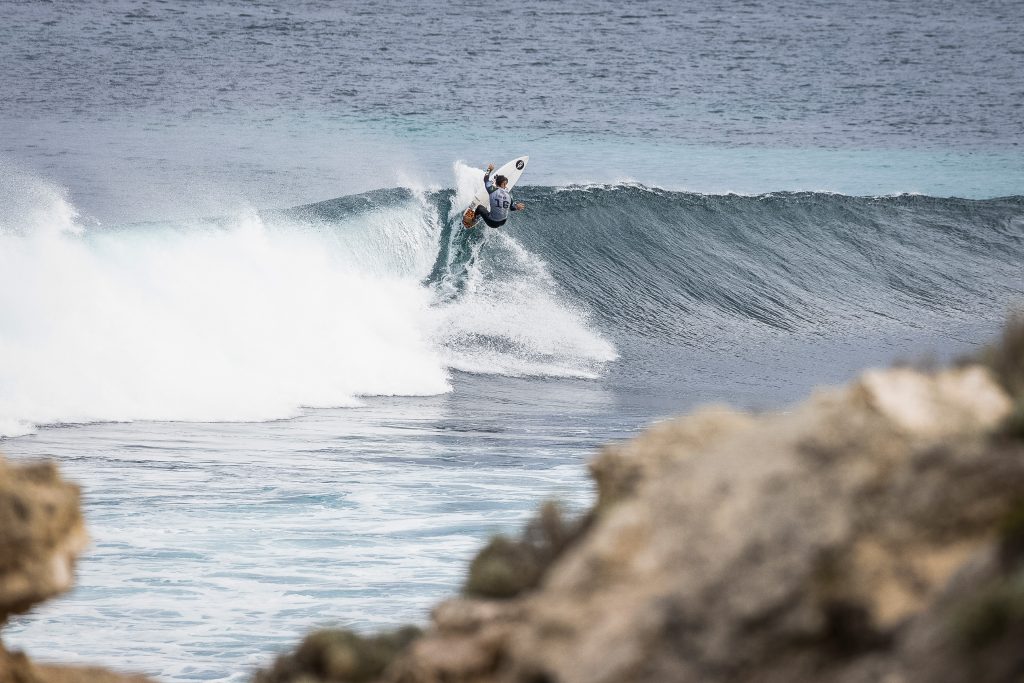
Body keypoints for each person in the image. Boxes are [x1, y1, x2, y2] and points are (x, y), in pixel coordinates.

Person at [463, 163, 526, 229]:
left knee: (479, 207)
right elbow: (512, 208)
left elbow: (485, 179)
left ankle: (473, 220)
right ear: (504, 184)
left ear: (496, 183)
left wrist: (489, 170)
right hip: (503, 221)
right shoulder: (508, 196)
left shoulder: (492, 190)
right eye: (506, 184)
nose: (506, 186)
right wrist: (517, 207)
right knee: (496, 206)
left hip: (492, 222)